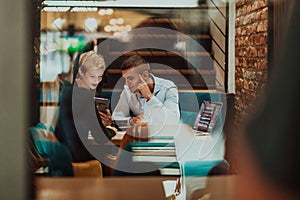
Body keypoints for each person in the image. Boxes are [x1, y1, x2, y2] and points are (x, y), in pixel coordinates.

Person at [55, 51, 116, 163]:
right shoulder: (85, 96)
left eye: (100, 77)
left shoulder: (67, 91)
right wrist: (111, 131)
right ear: (81, 72)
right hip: (77, 159)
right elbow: (100, 137)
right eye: (92, 76)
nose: (96, 82)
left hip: (62, 155)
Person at [112, 55, 180, 126]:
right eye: (125, 79)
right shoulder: (127, 90)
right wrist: (131, 121)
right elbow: (115, 118)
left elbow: (173, 121)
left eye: (131, 78)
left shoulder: (168, 87)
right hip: (140, 134)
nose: (126, 84)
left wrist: (150, 97)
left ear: (145, 75)